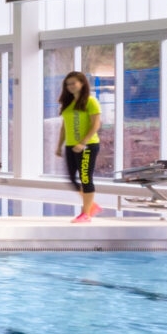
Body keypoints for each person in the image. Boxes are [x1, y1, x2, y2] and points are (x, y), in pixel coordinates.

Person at [57, 70, 102, 222]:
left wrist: (83, 142)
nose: (70, 86)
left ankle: (86, 214)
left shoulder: (91, 101)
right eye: (67, 84)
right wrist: (59, 146)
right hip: (70, 146)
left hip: (88, 145)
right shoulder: (68, 104)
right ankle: (91, 205)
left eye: (73, 83)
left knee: (85, 178)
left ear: (82, 83)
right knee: (71, 178)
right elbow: (64, 127)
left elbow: (96, 124)